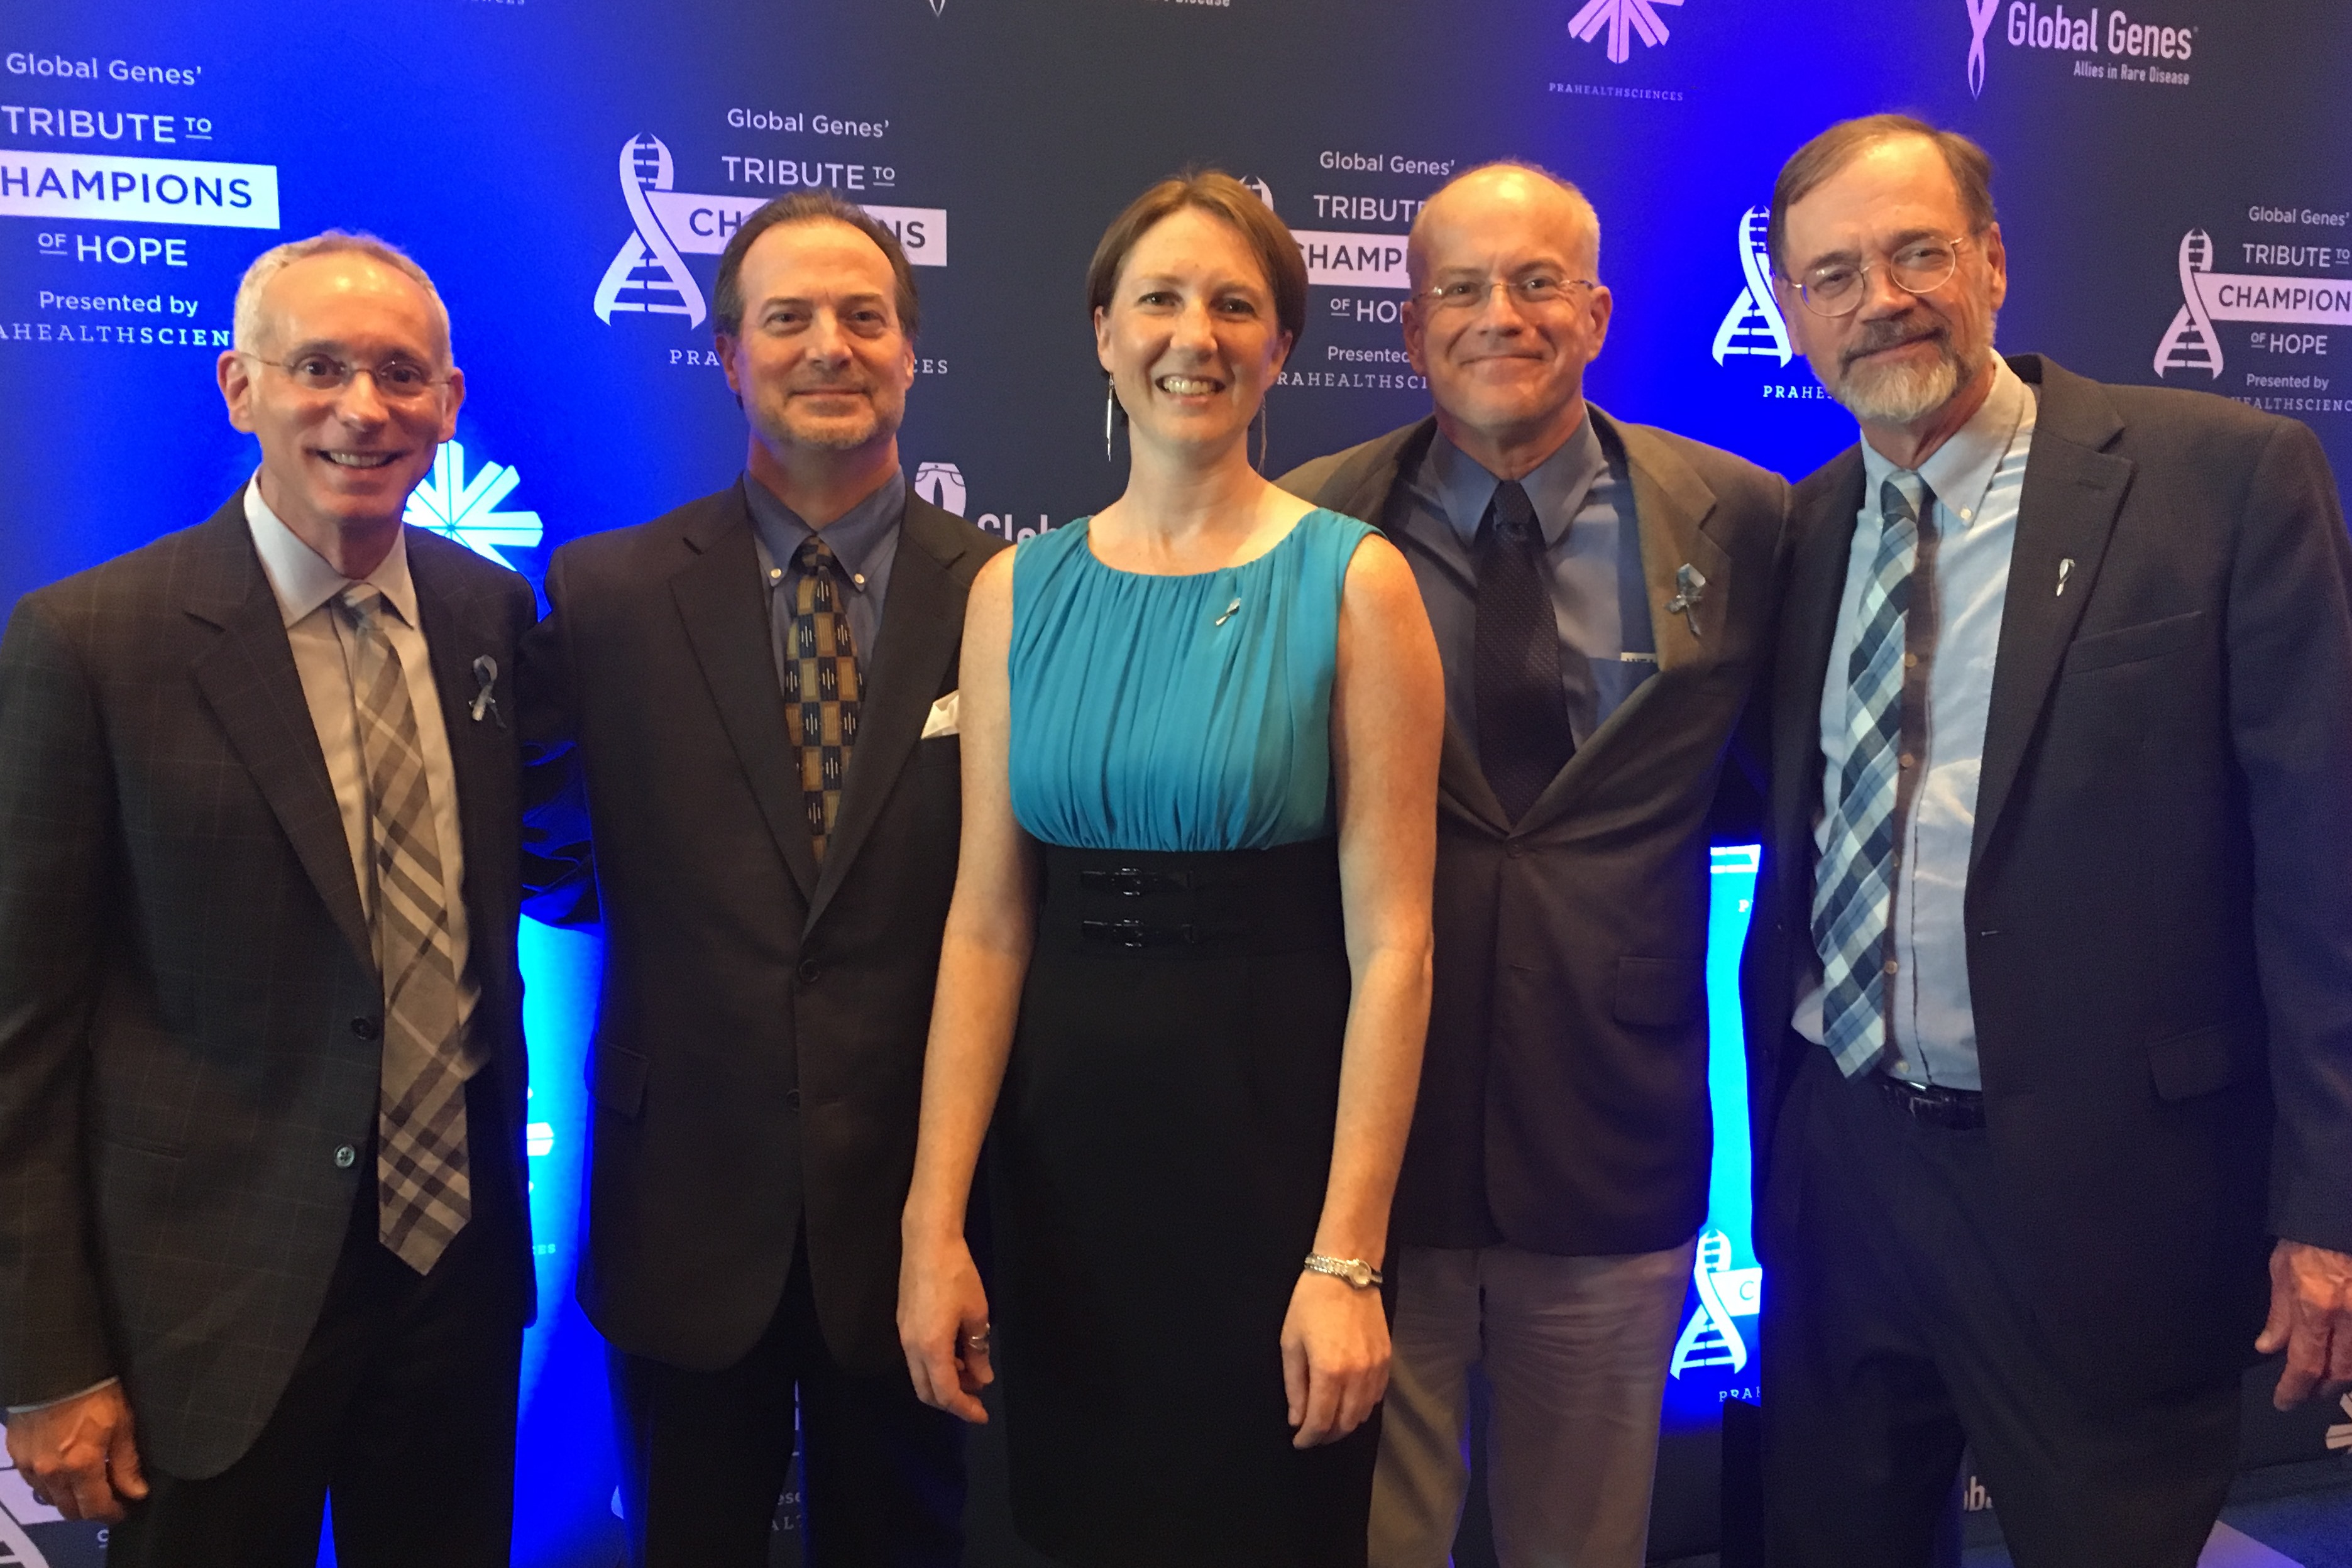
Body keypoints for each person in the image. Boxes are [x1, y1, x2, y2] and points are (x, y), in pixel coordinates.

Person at [1742, 113, 2352, 1567]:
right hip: (1846, 1174)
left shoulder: (2219, 477)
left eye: (1914, 254)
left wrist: (2323, 1206)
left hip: (2107, 1205)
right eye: (1829, 274)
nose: (1876, 297)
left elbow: (2319, 867)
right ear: (1788, 311)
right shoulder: (1806, 524)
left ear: (1992, 264)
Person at [896, 170, 1443, 1567]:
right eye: (1158, 298)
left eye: (1233, 304)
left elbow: (1394, 945)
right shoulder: (1013, 593)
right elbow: (985, 928)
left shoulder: (1357, 583)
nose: (1190, 334)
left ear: (1279, 349)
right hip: (1058, 1175)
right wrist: (933, 1219)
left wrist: (1345, 1258)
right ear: (1100, 332)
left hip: (1269, 1170)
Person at [1278, 163, 1789, 1567]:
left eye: (1535, 281)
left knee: (1583, 1548)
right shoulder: (1307, 527)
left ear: (1598, 311)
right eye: (1458, 287)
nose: (1497, 315)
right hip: (1373, 1168)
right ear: (1406, 326)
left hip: (1612, 1150)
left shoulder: (1740, 521)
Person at [0, 232, 537, 1565]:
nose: (364, 408)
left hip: (452, 1291)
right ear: (241, 387)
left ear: (449, 405)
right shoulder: (91, 643)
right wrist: (45, 1361)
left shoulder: (490, 616)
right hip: (204, 1311)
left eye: (401, 374)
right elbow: (18, 1042)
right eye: (320, 368)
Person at [519, 190, 994, 1567]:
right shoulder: (605, 597)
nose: (828, 346)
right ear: (728, 355)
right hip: (683, 1213)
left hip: (924, 1220)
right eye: (786, 318)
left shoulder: (1013, 595)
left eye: (864, 317)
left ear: (911, 354)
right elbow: (547, 852)